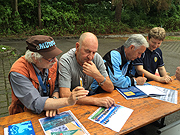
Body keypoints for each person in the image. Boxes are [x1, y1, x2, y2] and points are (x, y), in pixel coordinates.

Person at [8, 35, 88, 117]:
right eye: (50, 58)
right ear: (34, 57)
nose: (55, 60)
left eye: (55, 56)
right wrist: (68, 101)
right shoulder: (18, 73)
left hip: (49, 114)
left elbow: (57, 85)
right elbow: (36, 102)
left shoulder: (53, 63)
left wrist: (54, 102)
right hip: (24, 115)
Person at [59, 32, 115, 108]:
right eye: (87, 51)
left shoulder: (97, 58)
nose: (91, 57)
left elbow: (110, 88)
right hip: (71, 105)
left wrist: (96, 75)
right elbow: (64, 95)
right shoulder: (66, 60)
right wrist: (95, 101)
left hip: (85, 99)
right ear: (77, 46)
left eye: (94, 52)